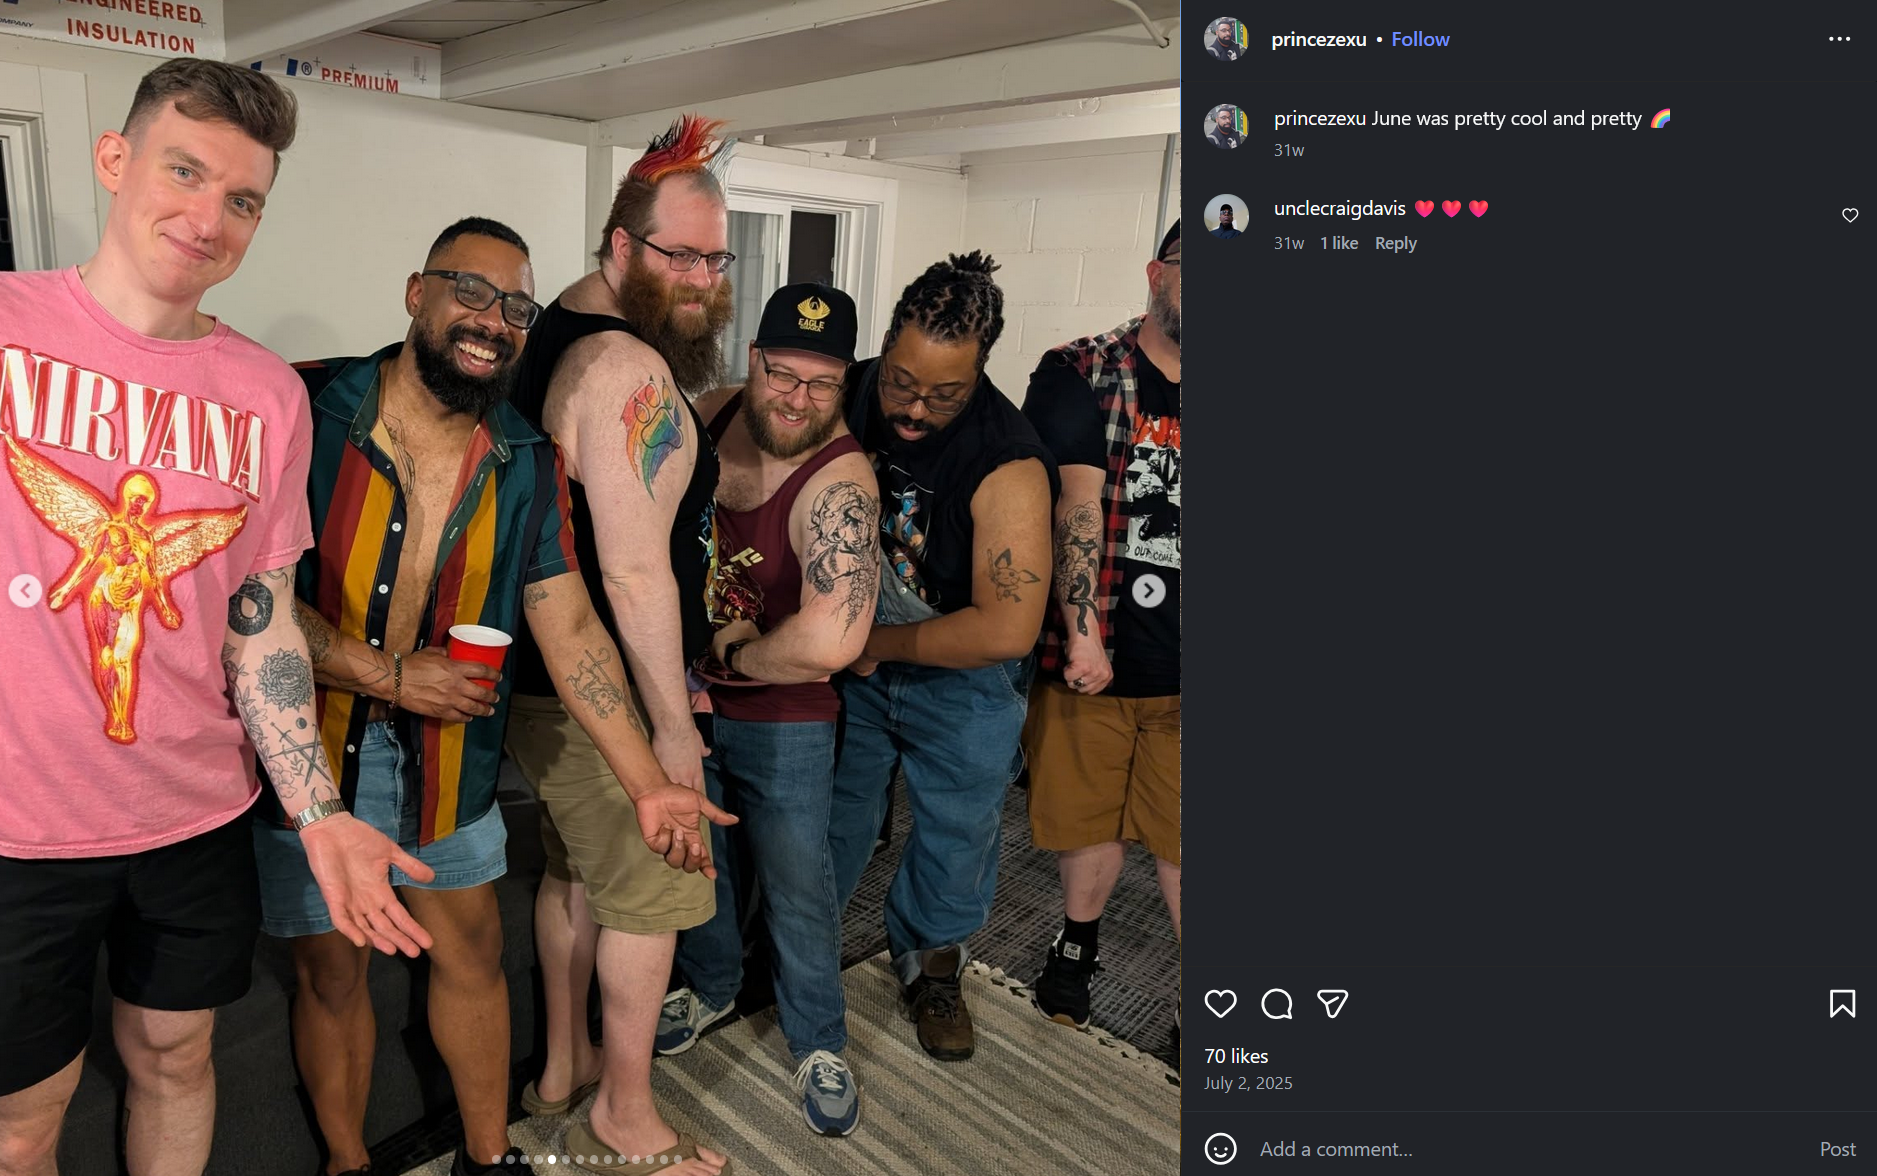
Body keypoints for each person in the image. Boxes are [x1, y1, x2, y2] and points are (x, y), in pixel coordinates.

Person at [0, 59, 431, 1176]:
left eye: (242, 198)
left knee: (178, 1056)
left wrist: (318, 810)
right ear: (114, 159)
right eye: (183, 172)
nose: (209, 218)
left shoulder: (267, 393)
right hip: (20, 827)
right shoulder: (6, 326)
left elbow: (260, 621)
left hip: (193, 812)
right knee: (23, 1119)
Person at [253, 218, 732, 1176]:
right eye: (469, 290)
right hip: (312, 747)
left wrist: (646, 780)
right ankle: (348, 1163)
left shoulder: (525, 457)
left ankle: (486, 1156)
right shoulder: (304, 408)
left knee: (471, 950)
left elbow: (572, 626)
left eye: (516, 306)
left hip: (452, 756)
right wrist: (391, 675)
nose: (493, 319)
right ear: (415, 292)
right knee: (332, 971)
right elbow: (249, 601)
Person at [504, 114, 735, 1176]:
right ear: (620, 246)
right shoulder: (625, 367)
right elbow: (636, 573)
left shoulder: (558, 326)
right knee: (656, 891)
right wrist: (671, 733)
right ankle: (625, 1116)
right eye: (678, 256)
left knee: (575, 878)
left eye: (715, 259)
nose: (701, 281)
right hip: (607, 694)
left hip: (543, 685)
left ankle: (565, 1068)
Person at [657, 283, 877, 1135]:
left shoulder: (841, 484)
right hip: (682, 694)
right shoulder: (712, 413)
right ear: (753, 360)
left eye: (822, 384)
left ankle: (819, 1039)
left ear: (844, 383)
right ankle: (711, 986)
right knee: (696, 856)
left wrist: (733, 656)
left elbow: (830, 642)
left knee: (796, 882)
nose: (796, 398)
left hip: (784, 709)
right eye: (782, 373)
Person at [827, 253, 1058, 1062]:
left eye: (943, 395)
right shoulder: (853, 386)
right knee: (828, 820)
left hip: (962, 676)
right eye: (901, 384)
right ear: (886, 346)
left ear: (981, 371)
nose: (914, 410)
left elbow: (1006, 629)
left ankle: (933, 970)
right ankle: (795, 952)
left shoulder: (1008, 461)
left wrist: (870, 645)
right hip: (855, 653)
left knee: (955, 840)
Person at [1019, 221, 1182, 1031]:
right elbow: (1074, 501)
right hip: (1101, 651)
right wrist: (1081, 632)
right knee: (1088, 821)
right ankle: (1075, 948)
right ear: (1157, 274)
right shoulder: (1079, 371)